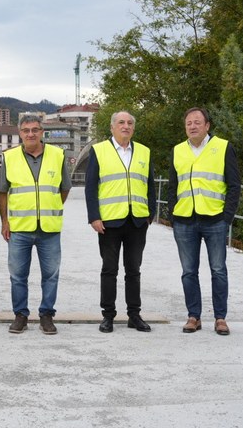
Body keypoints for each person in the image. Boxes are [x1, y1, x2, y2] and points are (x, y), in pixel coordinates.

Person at [168, 107, 241, 336]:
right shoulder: (178, 150)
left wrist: (227, 217)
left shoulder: (223, 147)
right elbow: (172, 186)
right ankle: (194, 316)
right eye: (189, 123)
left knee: (218, 270)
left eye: (197, 122)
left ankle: (220, 318)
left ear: (207, 125)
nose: (193, 126)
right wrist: (172, 215)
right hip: (184, 220)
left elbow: (234, 185)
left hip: (215, 219)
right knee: (188, 271)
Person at [0, 114, 71, 335]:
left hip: (49, 228)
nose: (31, 134)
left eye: (35, 130)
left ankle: (46, 315)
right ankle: (20, 315)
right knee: (18, 275)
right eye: (26, 130)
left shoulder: (58, 155)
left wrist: (51, 207)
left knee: (51, 275)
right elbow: (3, 192)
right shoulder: (9, 157)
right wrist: (5, 221)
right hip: (19, 227)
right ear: (20, 133)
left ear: (42, 132)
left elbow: (65, 188)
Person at [85, 111, 156, 334]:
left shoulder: (144, 151)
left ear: (133, 128)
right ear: (112, 127)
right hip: (109, 221)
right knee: (109, 270)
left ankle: (134, 315)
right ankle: (108, 316)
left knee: (134, 270)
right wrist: (94, 216)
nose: (126, 126)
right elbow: (90, 186)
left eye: (130, 123)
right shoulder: (99, 150)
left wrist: (151, 213)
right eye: (121, 122)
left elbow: (150, 184)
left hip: (137, 220)